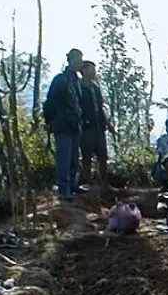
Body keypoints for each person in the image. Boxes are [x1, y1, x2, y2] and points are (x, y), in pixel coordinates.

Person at [43, 48, 83, 202]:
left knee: (74, 158)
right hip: (62, 124)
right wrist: (49, 121)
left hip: (75, 124)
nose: (79, 64)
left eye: (81, 61)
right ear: (70, 61)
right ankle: (64, 189)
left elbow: (79, 103)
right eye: (77, 61)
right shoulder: (60, 79)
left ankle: (72, 185)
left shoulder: (77, 82)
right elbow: (50, 102)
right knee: (64, 158)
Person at [79, 60, 115, 188]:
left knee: (103, 156)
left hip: (99, 126)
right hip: (86, 127)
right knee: (87, 156)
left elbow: (100, 108)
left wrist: (108, 124)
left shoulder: (96, 87)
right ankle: (88, 184)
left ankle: (105, 183)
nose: (94, 72)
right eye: (91, 69)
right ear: (84, 70)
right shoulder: (78, 86)